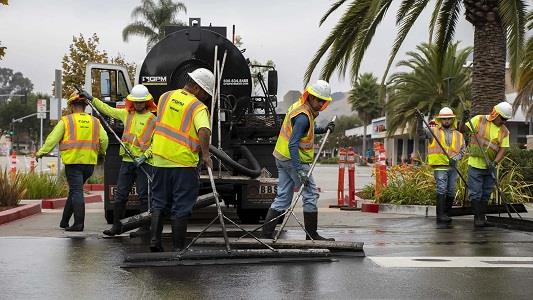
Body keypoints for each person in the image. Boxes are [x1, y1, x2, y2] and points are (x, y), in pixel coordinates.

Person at [144, 68, 214, 252]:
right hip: (183, 163)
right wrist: (206, 155)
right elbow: (204, 131)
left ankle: (155, 242)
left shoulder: (165, 97)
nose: (206, 98)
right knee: (181, 205)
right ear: (198, 88)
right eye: (206, 93)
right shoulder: (197, 107)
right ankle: (178, 249)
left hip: (159, 159)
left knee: (159, 202)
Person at [262, 80, 335, 240]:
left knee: (283, 197)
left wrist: (323, 129)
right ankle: (312, 235)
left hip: (281, 158)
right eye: (318, 99)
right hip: (293, 160)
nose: (320, 103)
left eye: (323, 101)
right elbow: (293, 143)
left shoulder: (300, 108)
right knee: (310, 194)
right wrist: (300, 170)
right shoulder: (303, 116)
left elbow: (305, 130)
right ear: (310, 96)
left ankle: (266, 234)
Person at [80, 85, 157, 237]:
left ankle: (144, 228)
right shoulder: (126, 114)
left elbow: (157, 143)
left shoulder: (153, 120)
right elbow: (107, 110)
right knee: (121, 194)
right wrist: (92, 99)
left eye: (141, 102)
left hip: (145, 163)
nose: (138, 104)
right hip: (128, 161)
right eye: (136, 101)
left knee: (144, 196)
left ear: (147, 102)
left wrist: (145, 156)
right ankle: (117, 226)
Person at [36, 92, 108, 231]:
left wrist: (41, 153)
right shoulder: (95, 121)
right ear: (85, 106)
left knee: (76, 191)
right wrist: (101, 154)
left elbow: (52, 139)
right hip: (89, 164)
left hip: (73, 163)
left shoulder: (66, 121)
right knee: (75, 191)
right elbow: (104, 140)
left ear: (72, 106)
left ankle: (79, 224)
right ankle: (64, 221)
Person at [463, 101, 511, 227]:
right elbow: (463, 130)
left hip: (490, 167)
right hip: (475, 164)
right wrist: (464, 120)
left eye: (506, 119)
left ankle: (482, 216)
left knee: (486, 193)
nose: (504, 121)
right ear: (495, 114)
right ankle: (477, 218)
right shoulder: (479, 120)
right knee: (475, 193)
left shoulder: (504, 131)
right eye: (503, 118)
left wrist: (495, 163)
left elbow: (503, 149)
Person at [417, 107, 465, 228]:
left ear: (452, 119)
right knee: (442, 188)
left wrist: (457, 158)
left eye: (449, 118)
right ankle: (440, 215)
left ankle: (447, 213)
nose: (447, 121)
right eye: (444, 119)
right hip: (440, 166)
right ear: (440, 120)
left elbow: (463, 150)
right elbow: (420, 133)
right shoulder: (433, 131)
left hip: (453, 166)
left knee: (451, 189)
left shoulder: (459, 135)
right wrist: (419, 121)